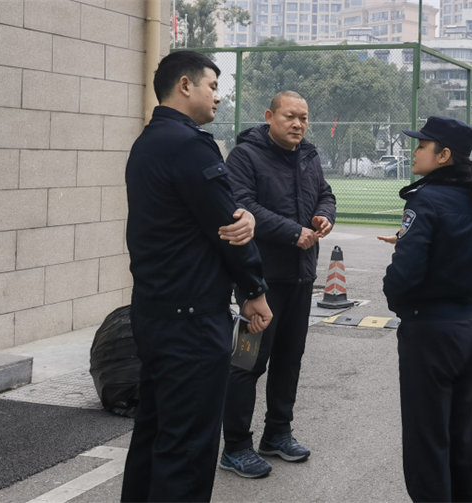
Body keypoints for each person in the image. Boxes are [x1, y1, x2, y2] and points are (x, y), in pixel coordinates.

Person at [121, 50, 272, 503]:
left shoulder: (148, 142)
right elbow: (226, 227)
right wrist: (254, 289)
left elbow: (209, 214)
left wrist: (242, 215)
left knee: (154, 435)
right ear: (185, 85)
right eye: (212, 86)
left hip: (155, 312)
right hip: (190, 322)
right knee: (187, 449)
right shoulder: (188, 144)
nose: (218, 97)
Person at [382, 116, 472, 502]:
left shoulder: (427, 199)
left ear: (443, 155)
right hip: (470, 326)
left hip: (431, 332)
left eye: (423, 145)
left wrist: (400, 303)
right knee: (460, 434)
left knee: (426, 440)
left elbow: (404, 275)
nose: (415, 151)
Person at [220, 90, 336, 478]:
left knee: (289, 359)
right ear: (269, 116)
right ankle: (236, 446)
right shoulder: (245, 157)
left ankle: (277, 434)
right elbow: (242, 205)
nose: (298, 124)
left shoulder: (309, 156)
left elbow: (325, 194)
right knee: (247, 362)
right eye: (290, 116)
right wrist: (292, 232)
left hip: (301, 278)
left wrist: (324, 216)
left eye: (304, 118)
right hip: (259, 283)